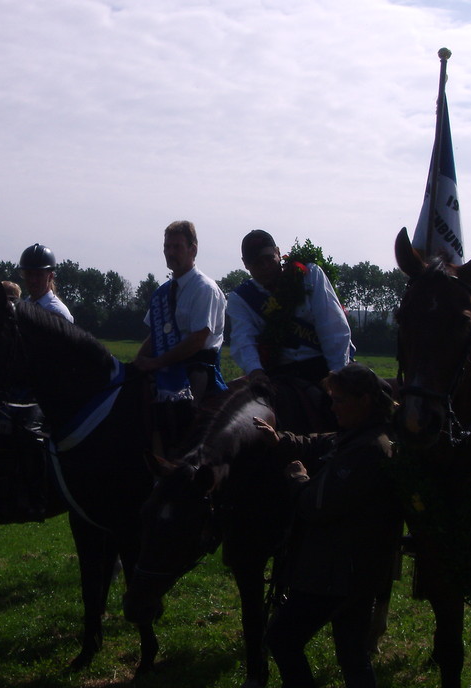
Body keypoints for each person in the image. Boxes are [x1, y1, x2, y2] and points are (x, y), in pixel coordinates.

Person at [260, 363, 401, 688]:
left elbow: (317, 506)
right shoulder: (362, 436)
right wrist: (279, 440)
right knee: (353, 654)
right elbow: (318, 442)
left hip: (335, 574)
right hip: (357, 572)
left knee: (282, 638)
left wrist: (297, 479)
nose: (332, 407)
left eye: (339, 400)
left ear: (364, 401)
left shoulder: (367, 451)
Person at [228, 229, 353, 384]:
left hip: (324, 365)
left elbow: (332, 327)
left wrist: (337, 374)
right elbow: (243, 339)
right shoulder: (241, 298)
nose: (265, 266)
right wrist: (255, 371)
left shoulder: (309, 275)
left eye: (269, 258)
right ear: (246, 264)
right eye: (257, 262)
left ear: (278, 253)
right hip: (279, 373)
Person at [134, 220, 227, 408]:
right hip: (164, 368)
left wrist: (155, 363)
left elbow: (197, 340)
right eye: (167, 247)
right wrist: (134, 366)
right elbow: (155, 336)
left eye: (177, 247)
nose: (170, 252)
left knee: (184, 417)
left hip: (197, 372)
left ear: (193, 250)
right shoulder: (162, 292)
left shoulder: (204, 289)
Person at [19, 244, 73, 322]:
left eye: (39, 275)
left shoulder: (58, 313)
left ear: (50, 276)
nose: (33, 280)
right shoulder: (21, 309)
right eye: (29, 274)